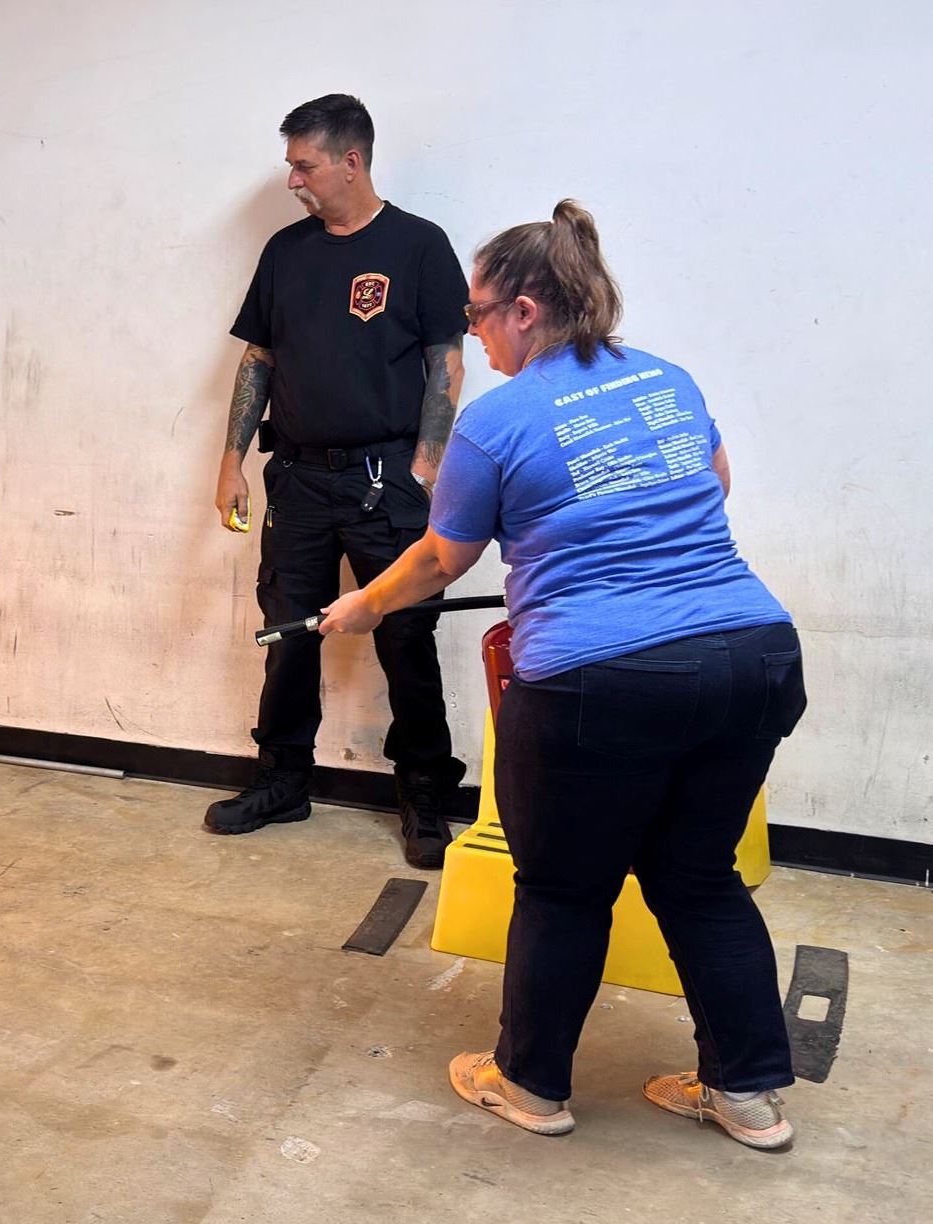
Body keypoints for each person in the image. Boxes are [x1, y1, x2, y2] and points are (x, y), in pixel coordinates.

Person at [319, 200, 806, 1148]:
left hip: (598, 683)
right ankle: (746, 1097)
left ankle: (531, 1087)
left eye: (477, 314)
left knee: (562, 890)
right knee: (699, 879)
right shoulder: (666, 378)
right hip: (750, 654)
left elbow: (440, 559)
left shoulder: (494, 423)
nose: (475, 334)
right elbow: (711, 487)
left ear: (525, 310)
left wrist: (362, 606)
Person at [208, 94, 469, 869]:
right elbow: (259, 358)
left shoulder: (418, 246)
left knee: (405, 636)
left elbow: (445, 364)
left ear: (350, 161)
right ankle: (282, 780)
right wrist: (230, 462)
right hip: (296, 479)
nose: (293, 181)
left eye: (304, 166)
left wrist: (423, 470)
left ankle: (423, 791)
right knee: (289, 636)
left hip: (385, 480)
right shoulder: (286, 252)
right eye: (291, 166)